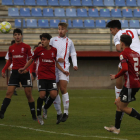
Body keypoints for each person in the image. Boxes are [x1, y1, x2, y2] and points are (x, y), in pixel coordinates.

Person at [18, 33, 69, 125]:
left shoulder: (54, 50)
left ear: (49, 41)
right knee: (42, 95)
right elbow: (31, 60)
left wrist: (63, 71)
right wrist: (24, 68)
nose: (42, 41)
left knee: (53, 94)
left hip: (51, 77)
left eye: (44, 40)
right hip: (41, 76)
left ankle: (45, 108)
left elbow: (55, 62)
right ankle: (39, 115)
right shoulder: (38, 50)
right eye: (41, 40)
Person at [105, 20, 140, 132]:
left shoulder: (120, 38)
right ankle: (116, 128)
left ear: (115, 28)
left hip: (129, 62)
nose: (111, 32)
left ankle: (118, 95)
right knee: (120, 103)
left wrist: (115, 76)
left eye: (111, 30)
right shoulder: (134, 30)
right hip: (137, 58)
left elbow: (118, 49)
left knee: (121, 105)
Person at [43, 22, 78, 124]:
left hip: (64, 68)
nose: (60, 31)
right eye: (59, 29)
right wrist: (56, 58)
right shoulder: (53, 40)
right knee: (55, 92)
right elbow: (48, 51)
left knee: (63, 88)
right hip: (52, 68)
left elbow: (73, 53)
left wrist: (75, 64)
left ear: (66, 30)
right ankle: (59, 113)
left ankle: (66, 112)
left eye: (62, 29)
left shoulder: (69, 41)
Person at [0, 28, 37, 121]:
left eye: (19, 34)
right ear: (13, 36)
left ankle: (34, 115)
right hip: (15, 73)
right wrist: (4, 70)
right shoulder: (11, 48)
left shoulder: (27, 47)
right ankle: (1, 113)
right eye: (15, 35)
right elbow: (10, 61)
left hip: (24, 72)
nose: (17, 36)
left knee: (28, 94)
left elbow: (31, 60)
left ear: (22, 36)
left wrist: (27, 69)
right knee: (9, 93)